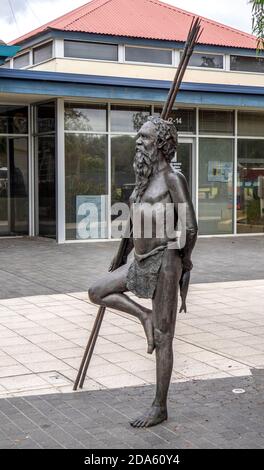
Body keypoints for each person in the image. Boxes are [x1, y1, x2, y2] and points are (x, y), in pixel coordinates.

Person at [88, 116, 198, 427]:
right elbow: (134, 224)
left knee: (164, 338)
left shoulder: (174, 179)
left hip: (166, 261)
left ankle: (159, 406)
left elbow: (190, 227)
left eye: (145, 138)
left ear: (161, 145)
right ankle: (143, 316)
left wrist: (181, 263)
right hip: (139, 260)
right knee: (97, 291)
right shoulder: (143, 180)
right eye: (139, 136)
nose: (139, 142)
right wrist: (122, 255)